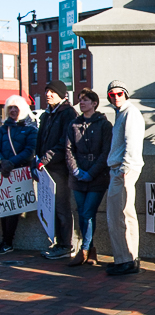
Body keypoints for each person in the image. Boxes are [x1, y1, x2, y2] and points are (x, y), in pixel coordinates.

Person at [65, 88, 113, 266]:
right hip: (77, 177)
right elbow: (69, 150)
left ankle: (84, 249)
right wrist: (76, 171)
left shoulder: (104, 125)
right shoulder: (74, 124)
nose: (81, 102)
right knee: (81, 213)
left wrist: (91, 172)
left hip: (97, 177)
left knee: (88, 212)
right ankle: (91, 249)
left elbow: (106, 152)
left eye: (85, 100)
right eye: (80, 99)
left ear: (94, 103)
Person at [105, 81, 145, 275]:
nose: (116, 97)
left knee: (120, 216)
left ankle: (126, 260)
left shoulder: (131, 113)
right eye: (111, 95)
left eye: (119, 93)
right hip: (121, 169)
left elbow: (132, 143)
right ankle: (127, 258)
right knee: (123, 215)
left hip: (123, 170)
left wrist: (124, 168)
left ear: (126, 95)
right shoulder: (122, 114)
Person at [36, 80, 78, 259]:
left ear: (61, 94)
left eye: (52, 91)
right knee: (52, 207)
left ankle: (66, 245)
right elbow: (40, 139)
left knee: (62, 206)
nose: (48, 94)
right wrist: (38, 159)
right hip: (47, 169)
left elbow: (64, 143)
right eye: (47, 91)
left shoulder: (67, 113)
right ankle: (58, 243)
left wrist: (45, 159)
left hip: (60, 169)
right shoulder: (47, 114)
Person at [0, 96, 38, 254]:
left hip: (20, 171)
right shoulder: (3, 128)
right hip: (4, 171)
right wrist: (3, 162)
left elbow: (30, 150)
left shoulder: (31, 128)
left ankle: (8, 241)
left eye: (16, 107)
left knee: (13, 209)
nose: (13, 111)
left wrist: (12, 162)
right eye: (10, 108)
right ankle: (5, 240)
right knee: (3, 207)